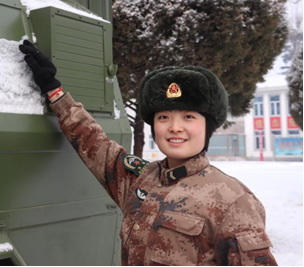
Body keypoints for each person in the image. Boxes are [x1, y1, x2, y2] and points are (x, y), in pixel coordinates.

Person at [19, 40, 278, 266]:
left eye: (188, 116)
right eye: (164, 117)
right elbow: (93, 143)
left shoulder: (233, 200)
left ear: (207, 126)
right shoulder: (140, 180)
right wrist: (54, 91)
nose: (175, 128)